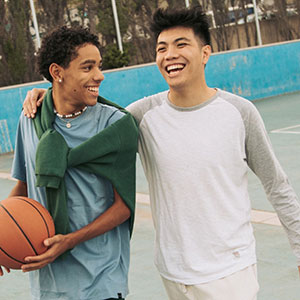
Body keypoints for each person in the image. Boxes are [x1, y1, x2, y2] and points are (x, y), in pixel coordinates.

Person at [21, 7, 300, 300]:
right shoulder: (141, 115)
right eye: (161, 48)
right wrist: (47, 93)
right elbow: (83, 107)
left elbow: (277, 186)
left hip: (230, 271)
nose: (169, 55)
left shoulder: (240, 112)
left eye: (181, 45)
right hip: (173, 273)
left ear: (205, 53)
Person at [0, 26, 139, 300]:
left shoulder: (115, 126)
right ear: (57, 72)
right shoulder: (30, 120)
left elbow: (123, 208)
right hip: (49, 283)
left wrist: (70, 241)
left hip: (103, 279)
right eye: (87, 67)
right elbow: (24, 188)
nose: (99, 76)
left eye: (99, 66)